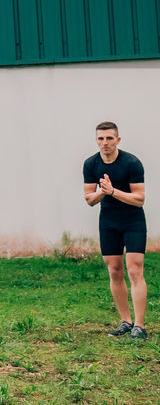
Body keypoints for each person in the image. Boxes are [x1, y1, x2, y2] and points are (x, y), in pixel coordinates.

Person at [83, 120, 148, 340]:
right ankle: (126, 322)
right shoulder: (91, 164)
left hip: (133, 221)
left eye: (109, 138)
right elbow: (89, 200)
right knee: (114, 271)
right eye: (101, 138)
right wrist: (103, 192)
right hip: (108, 222)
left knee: (134, 269)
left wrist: (112, 192)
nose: (105, 143)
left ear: (118, 140)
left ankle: (139, 325)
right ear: (96, 140)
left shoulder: (131, 163)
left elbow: (139, 199)